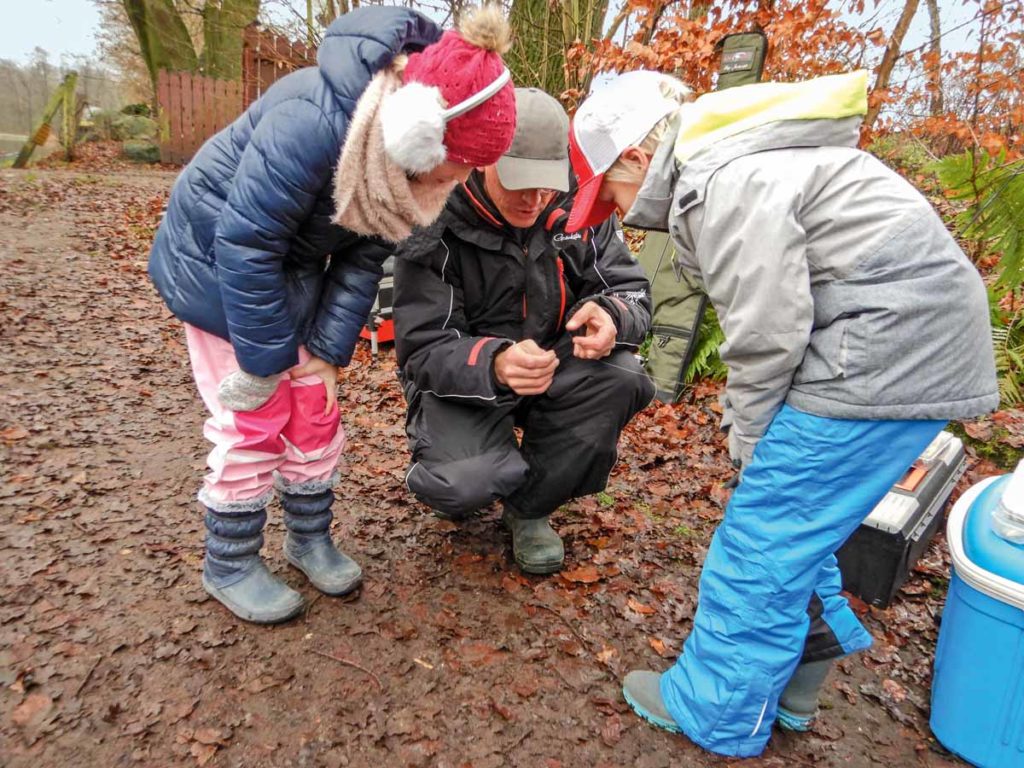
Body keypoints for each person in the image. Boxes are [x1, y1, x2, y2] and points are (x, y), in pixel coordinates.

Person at [565, 69, 998, 756]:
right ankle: (795, 685)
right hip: (911, 347)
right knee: (797, 530)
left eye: (610, 193)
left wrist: (752, 436)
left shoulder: (727, 182)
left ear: (636, 160)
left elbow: (766, 329)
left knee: (759, 543)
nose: (616, 212)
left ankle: (717, 713)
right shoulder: (745, 160)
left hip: (879, 355)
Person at [147, 5, 518, 624]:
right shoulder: (312, 122)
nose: (461, 178)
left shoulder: (406, 168)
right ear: (421, 132)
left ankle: (307, 534)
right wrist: (266, 363)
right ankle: (230, 559)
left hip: (292, 267)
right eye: (459, 163)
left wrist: (325, 350)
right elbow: (246, 242)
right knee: (254, 417)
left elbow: (364, 255)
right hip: (219, 268)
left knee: (314, 406)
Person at [392, 87, 655, 575]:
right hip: (468, 381)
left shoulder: (580, 207)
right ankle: (474, 462)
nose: (534, 199)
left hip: (554, 365)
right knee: (462, 486)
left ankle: (530, 509)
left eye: (546, 184)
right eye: (520, 182)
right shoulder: (435, 217)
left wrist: (612, 315)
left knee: (625, 376)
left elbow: (635, 294)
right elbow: (421, 349)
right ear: (483, 162)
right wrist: (494, 363)